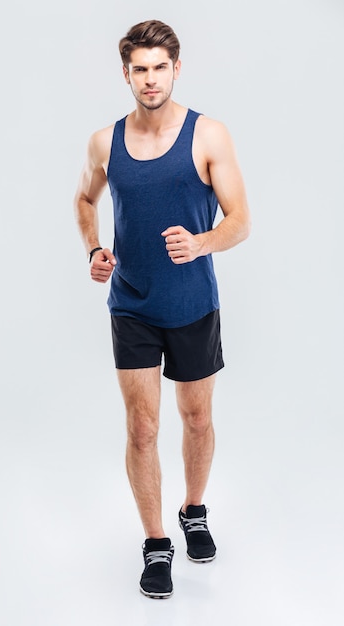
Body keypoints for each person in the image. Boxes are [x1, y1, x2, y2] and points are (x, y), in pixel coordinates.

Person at [74, 19, 251, 599]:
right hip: (131, 304)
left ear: (177, 68)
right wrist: (96, 249)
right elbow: (83, 198)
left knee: (196, 419)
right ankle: (156, 542)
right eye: (140, 69)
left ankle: (193, 509)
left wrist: (202, 242)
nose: (151, 80)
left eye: (160, 67)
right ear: (125, 74)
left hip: (194, 302)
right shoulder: (105, 141)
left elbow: (240, 221)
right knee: (142, 427)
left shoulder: (209, 135)